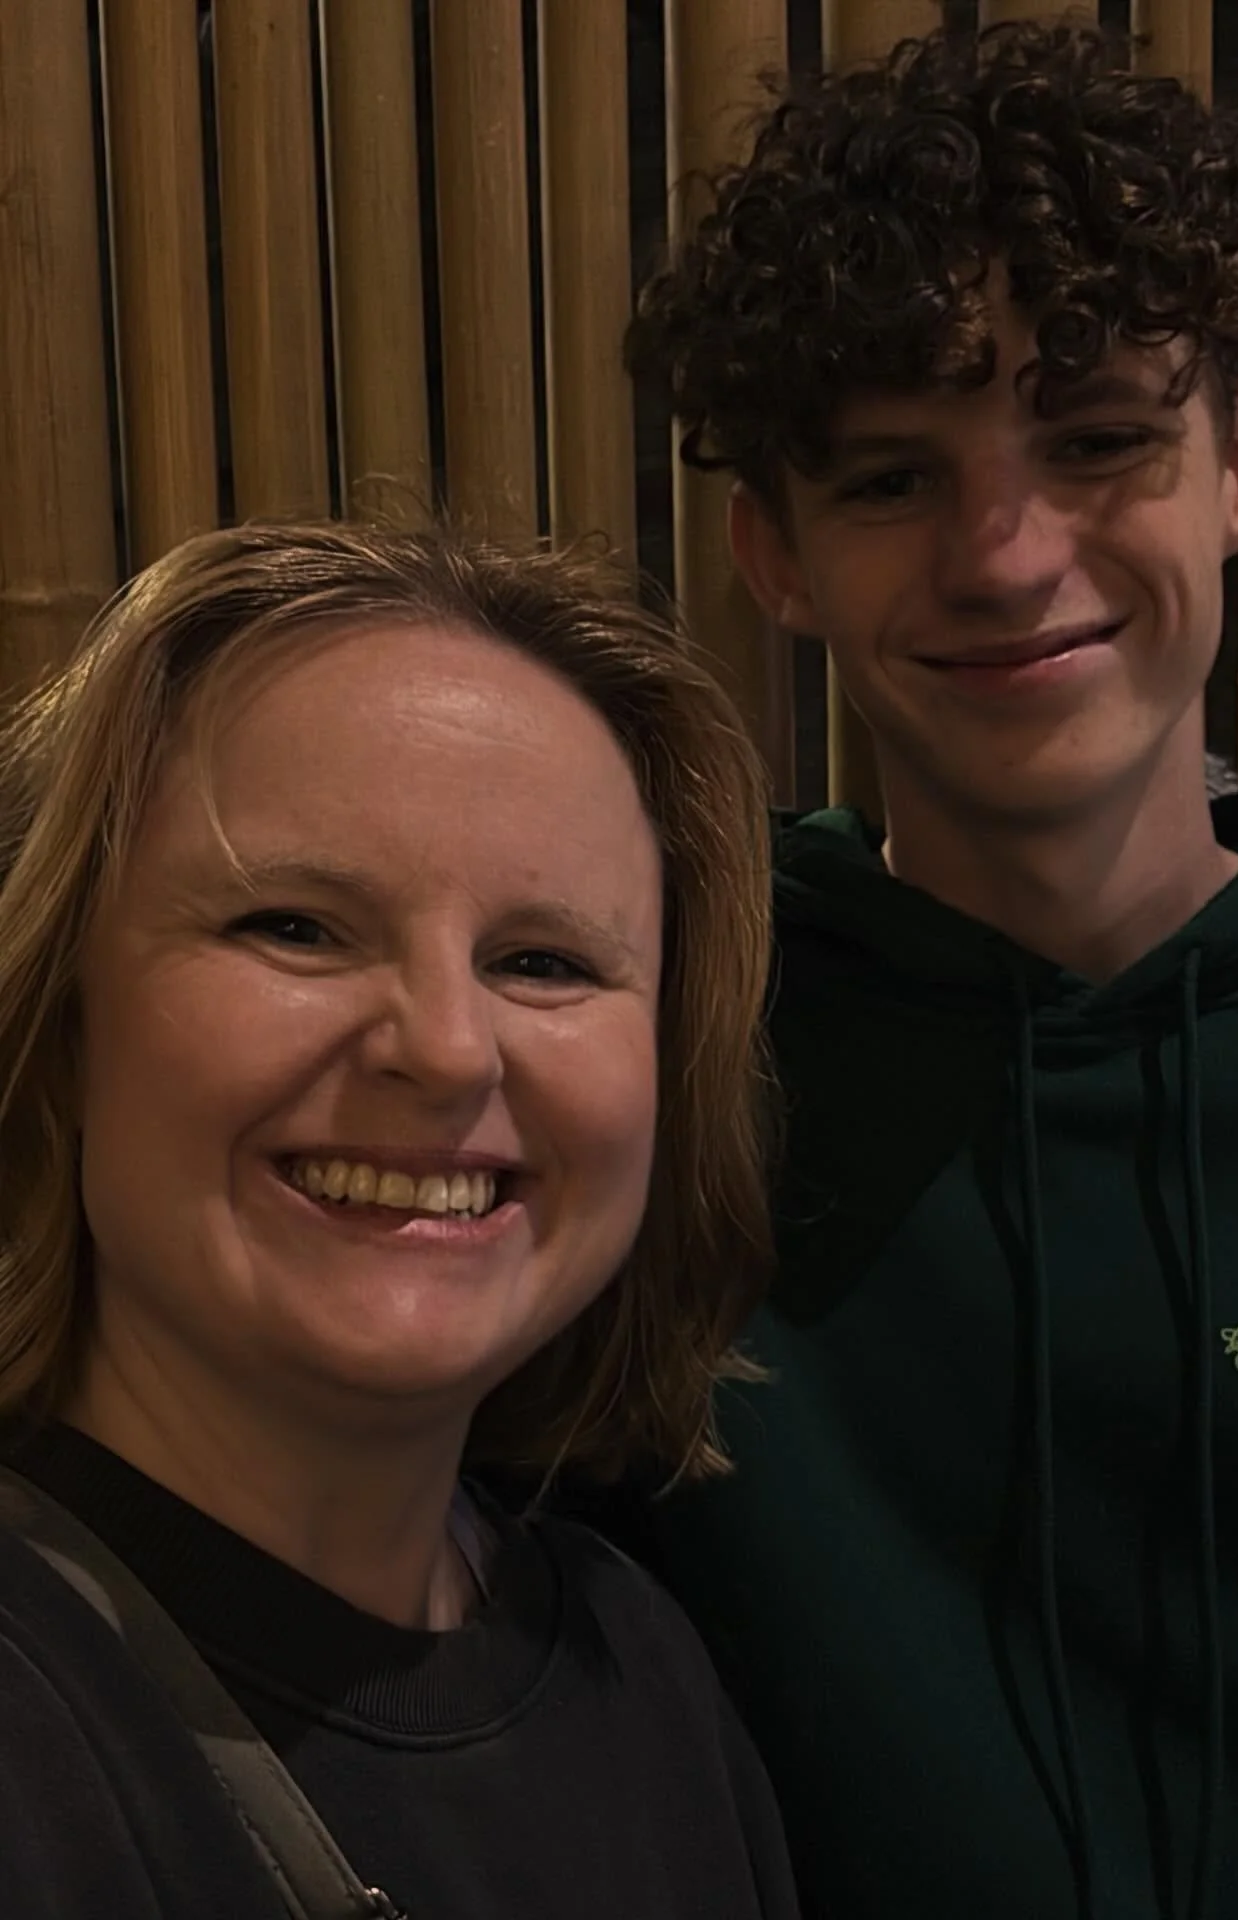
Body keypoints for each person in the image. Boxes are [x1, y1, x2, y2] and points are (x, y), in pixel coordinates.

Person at [622, 19, 1238, 1920]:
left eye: (1093, 443)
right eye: (895, 480)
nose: (1002, 555)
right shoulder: (656, 1097)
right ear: (777, 553)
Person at [0, 521, 800, 1919]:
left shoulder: (643, 1664)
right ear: (65, 1025)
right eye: (295, 928)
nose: (444, 1049)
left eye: (543, 961)